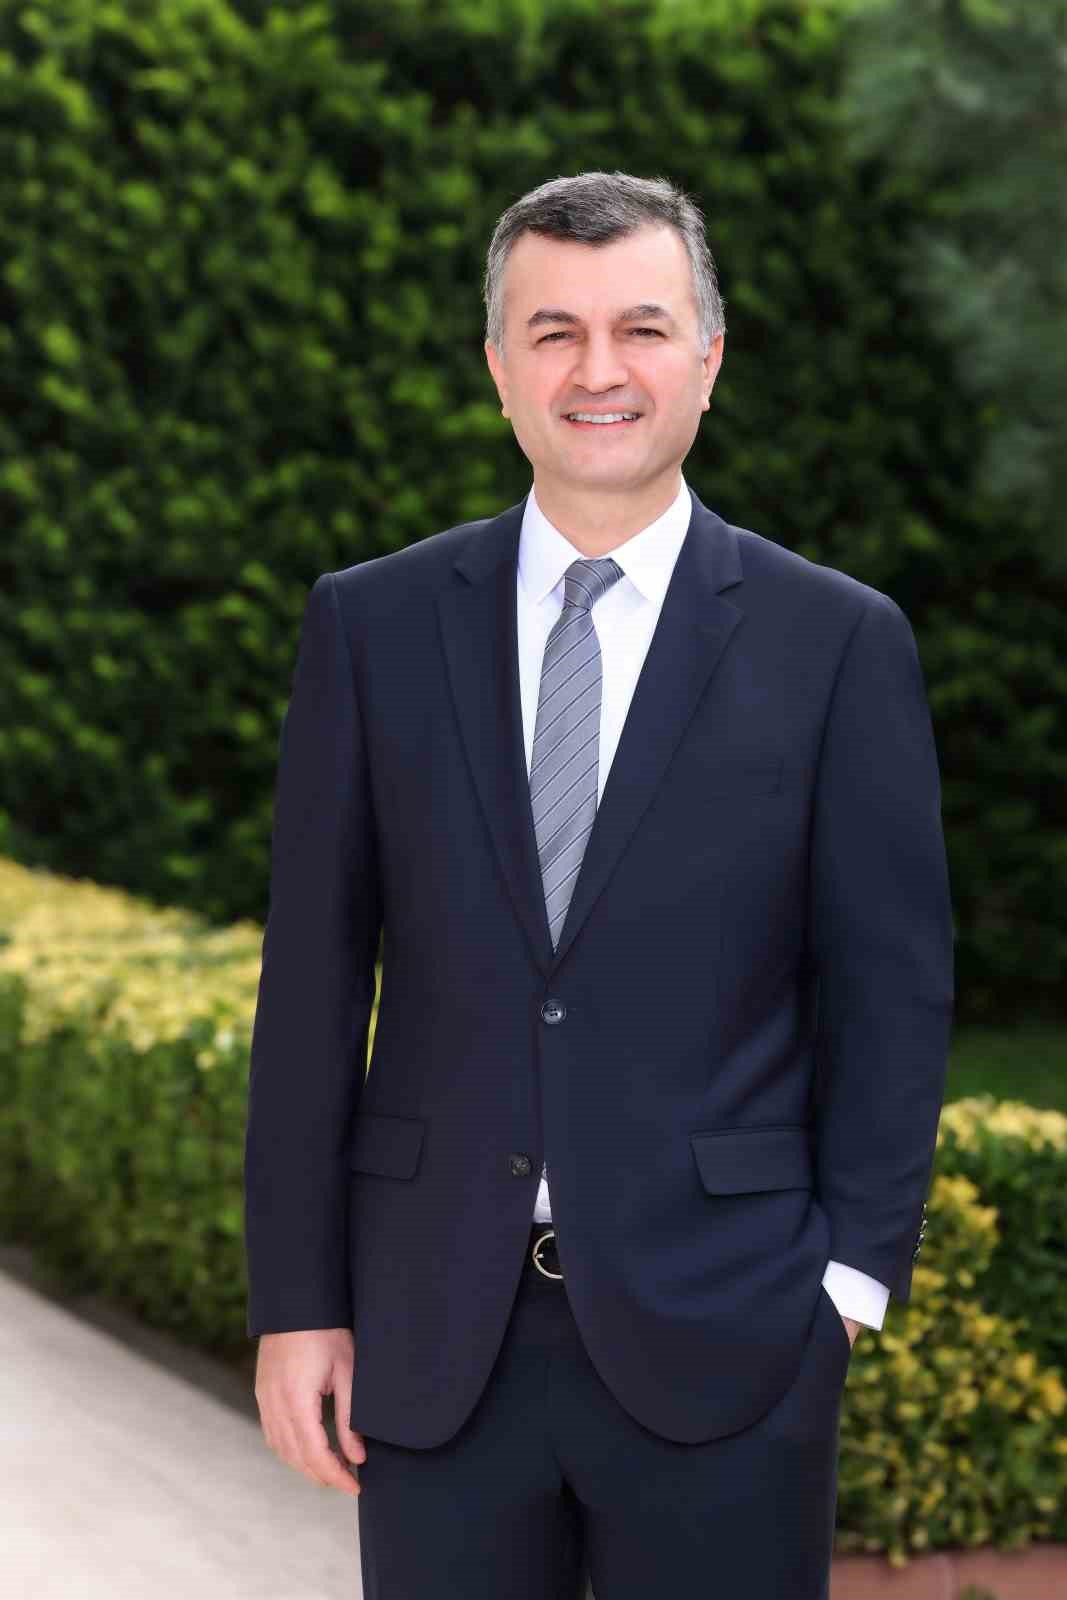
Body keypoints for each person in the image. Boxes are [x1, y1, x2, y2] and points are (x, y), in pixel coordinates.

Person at [243, 170, 952, 1599]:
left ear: (710, 357)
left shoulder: (836, 643)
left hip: (735, 1332)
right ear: (498, 366)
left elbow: (892, 989)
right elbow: (312, 987)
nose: (598, 369)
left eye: (641, 326)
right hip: (435, 1332)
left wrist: (844, 1290)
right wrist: (298, 1305)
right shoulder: (372, 626)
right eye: (553, 332)